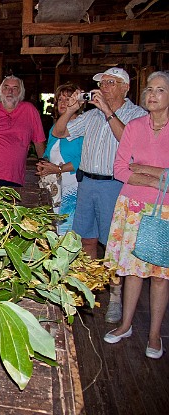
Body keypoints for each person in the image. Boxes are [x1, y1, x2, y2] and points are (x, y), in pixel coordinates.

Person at [52, 67, 148, 323]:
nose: (104, 87)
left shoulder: (137, 115)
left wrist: (108, 112)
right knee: (88, 241)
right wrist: (71, 109)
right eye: (102, 82)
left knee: (114, 247)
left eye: (110, 82)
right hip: (87, 184)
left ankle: (116, 297)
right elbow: (59, 132)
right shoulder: (92, 116)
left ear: (125, 87)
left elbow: (132, 143)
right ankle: (91, 289)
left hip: (114, 185)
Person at [102, 71, 169, 359]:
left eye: (161, 90)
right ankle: (126, 325)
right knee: (132, 271)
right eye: (149, 90)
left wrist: (140, 168)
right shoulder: (134, 126)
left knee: (159, 276)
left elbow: (131, 168)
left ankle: (154, 334)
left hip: (164, 210)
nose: (152, 95)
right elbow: (119, 169)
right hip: (132, 207)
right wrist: (160, 179)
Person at [36, 83, 83, 235]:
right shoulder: (55, 127)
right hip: (55, 185)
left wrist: (59, 169)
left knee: (67, 228)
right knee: (52, 226)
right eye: (60, 99)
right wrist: (43, 164)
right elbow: (48, 153)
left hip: (73, 184)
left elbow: (84, 159)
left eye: (67, 99)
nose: (62, 103)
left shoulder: (83, 125)